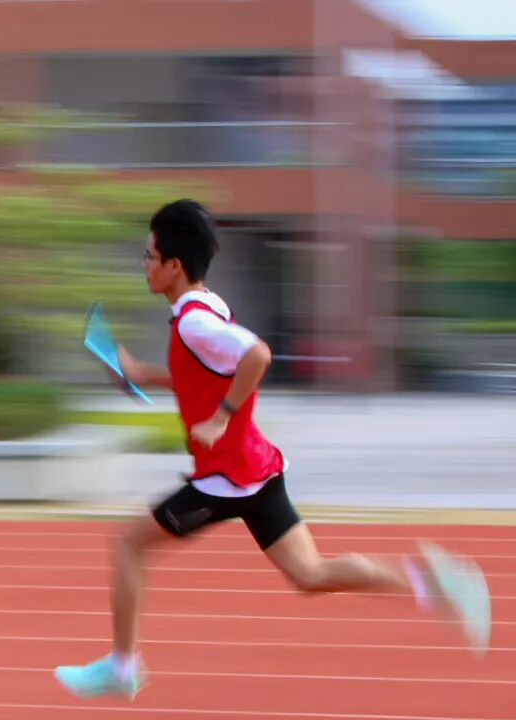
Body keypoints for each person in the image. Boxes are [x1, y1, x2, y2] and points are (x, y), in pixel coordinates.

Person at [53, 199, 491, 700]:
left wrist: (223, 416)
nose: (145, 265)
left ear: (175, 265)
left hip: (224, 480)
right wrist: (140, 373)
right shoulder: (206, 307)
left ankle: (123, 667)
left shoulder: (195, 324)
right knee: (311, 574)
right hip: (255, 470)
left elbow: (257, 355)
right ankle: (436, 585)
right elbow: (208, 374)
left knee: (130, 545)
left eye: (149, 256)